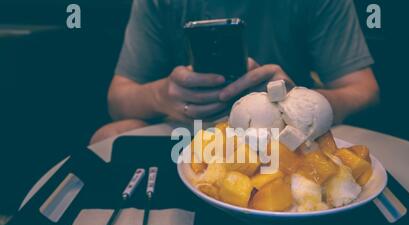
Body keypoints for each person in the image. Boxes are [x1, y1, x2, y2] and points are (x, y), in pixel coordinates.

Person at [90, 0, 379, 144]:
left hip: (285, 134)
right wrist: (162, 95)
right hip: (192, 129)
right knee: (107, 135)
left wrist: (300, 101)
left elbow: (364, 90)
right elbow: (118, 99)